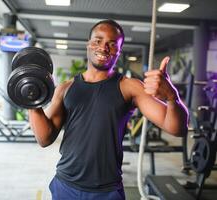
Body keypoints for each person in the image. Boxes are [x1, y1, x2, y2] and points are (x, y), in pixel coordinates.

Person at [28, 19, 188, 200]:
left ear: (119, 51)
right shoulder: (65, 88)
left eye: (112, 45)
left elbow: (177, 129)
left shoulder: (130, 87)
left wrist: (172, 97)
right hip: (66, 184)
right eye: (98, 40)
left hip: (106, 191)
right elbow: (44, 138)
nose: (103, 48)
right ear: (88, 44)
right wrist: (31, 101)